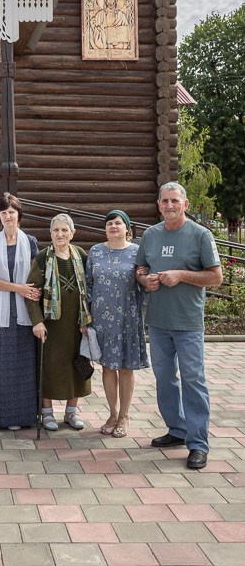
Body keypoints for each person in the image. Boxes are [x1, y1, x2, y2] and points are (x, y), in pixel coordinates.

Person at [136, 182, 222, 470]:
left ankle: (198, 444)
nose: (169, 206)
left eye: (175, 200)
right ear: (158, 204)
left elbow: (216, 277)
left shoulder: (200, 235)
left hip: (187, 322)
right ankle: (177, 429)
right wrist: (144, 280)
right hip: (158, 323)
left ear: (185, 204)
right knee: (165, 380)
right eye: (165, 201)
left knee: (192, 381)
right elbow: (141, 269)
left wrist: (182, 275)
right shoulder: (150, 235)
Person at [25, 213, 92, 431]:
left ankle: (71, 412)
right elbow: (31, 292)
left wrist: (88, 319)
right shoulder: (43, 258)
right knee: (50, 368)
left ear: (72, 233)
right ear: (50, 234)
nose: (60, 234)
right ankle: (47, 413)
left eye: (64, 230)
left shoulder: (81, 255)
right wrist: (37, 321)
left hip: (77, 324)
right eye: (56, 230)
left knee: (77, 366)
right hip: (51, 325)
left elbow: (89, 289)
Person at [86, 209, 148, 438]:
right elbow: (88, 285)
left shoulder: (137, 253)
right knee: (108, 366)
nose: (113, 226)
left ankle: (125, 415)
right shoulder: (96, 252)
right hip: (102, 320)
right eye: (110, 223)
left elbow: (144, 283)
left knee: (125, 367)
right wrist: (86, 316)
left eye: (118, 223)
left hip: (128, 319)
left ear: (127, 229)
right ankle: (112, 413)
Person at [0, 193, 41, 430]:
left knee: (24, 368)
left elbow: (37, 277)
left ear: (19, 216)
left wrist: (35, 293)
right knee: (0, 366)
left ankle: (23, 417)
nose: (8, 216)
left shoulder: (32, 242)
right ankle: (2, 416)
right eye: (4, 213)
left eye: (12, 212)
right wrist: (18, 288)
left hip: (25, 314)